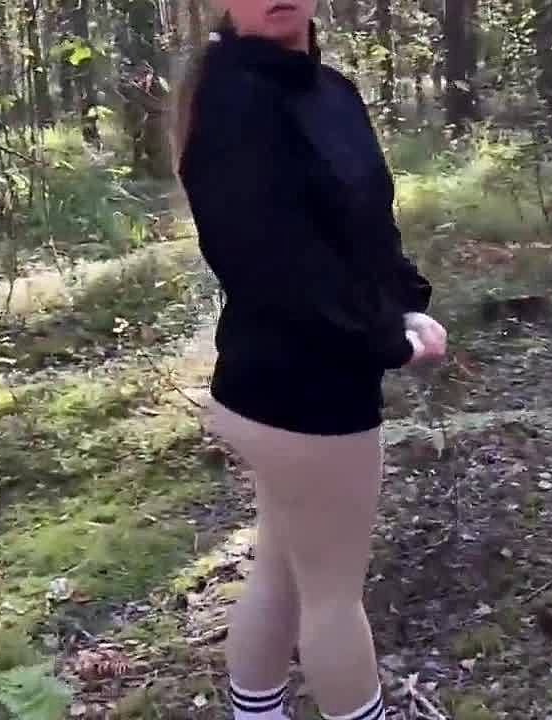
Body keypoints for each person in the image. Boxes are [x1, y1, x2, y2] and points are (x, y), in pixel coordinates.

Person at [172, 1, 448, 718]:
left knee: (283, 573)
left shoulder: (332, 92)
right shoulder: (235, 103)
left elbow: (368, 234)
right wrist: (384, 339)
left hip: (305, 384)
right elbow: (277, 266)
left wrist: (406, 304)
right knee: (333, 600)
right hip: (301, 395)